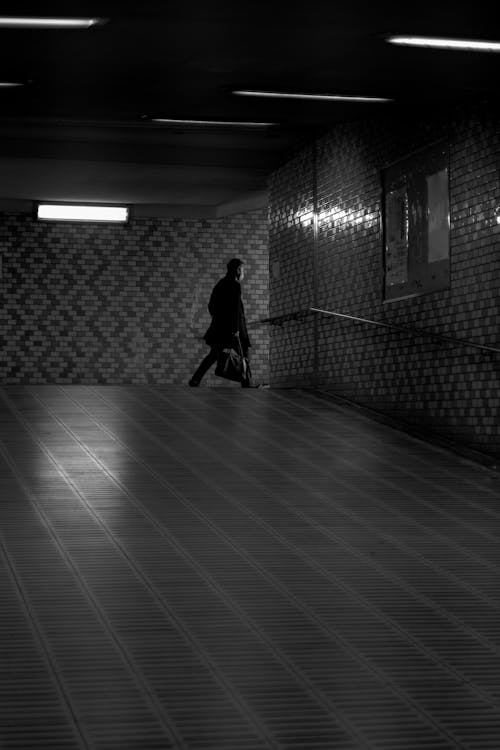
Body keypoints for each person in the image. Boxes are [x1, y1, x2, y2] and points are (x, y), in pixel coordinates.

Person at [189, 258, 257, 388]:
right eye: (243, 270)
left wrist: (219, 320)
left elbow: (211, 306)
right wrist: (236, 329)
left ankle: (195, 379)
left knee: (213, 354)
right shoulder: (235, 285)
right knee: (244, 354)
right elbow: (236, 310)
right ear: (237, 270)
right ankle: (247, 383)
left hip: (219, 329)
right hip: (234, 329)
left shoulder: (220, 284)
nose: (244, 273)